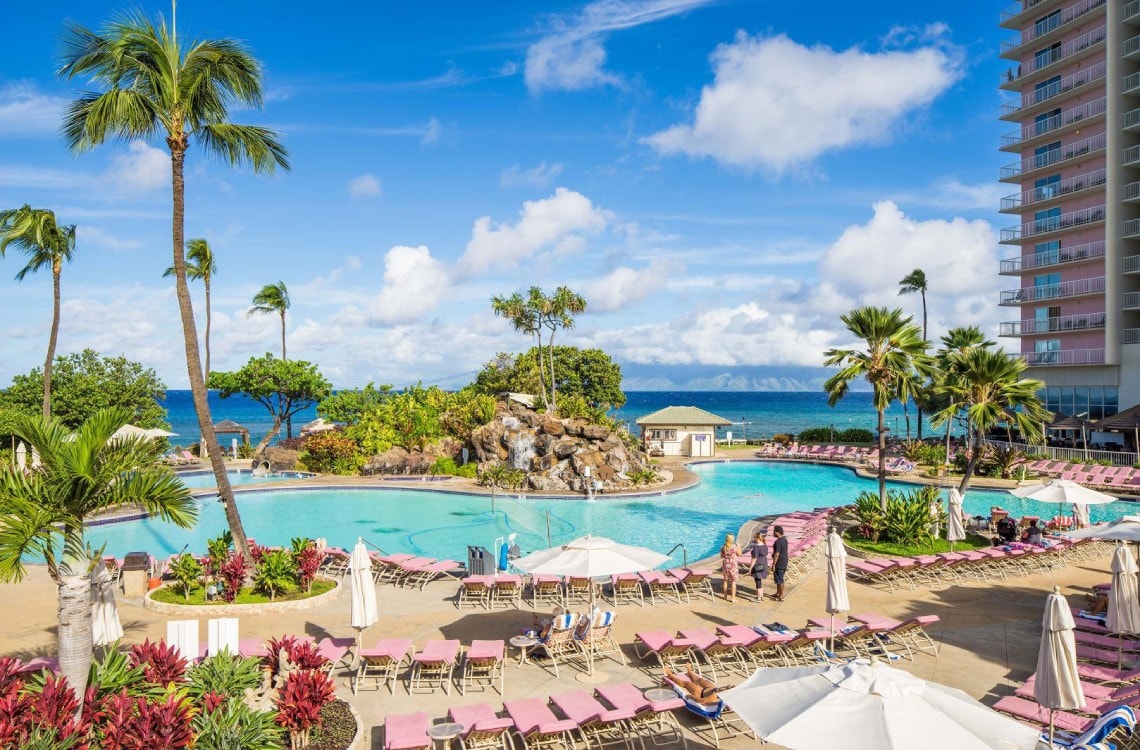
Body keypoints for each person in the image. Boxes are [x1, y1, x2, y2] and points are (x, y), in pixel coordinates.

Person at [743, 530, 769, 602]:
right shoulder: (765, 546)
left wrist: (750, 569)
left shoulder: (756, 547)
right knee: (759, 580)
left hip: (758, 565)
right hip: (764, 564)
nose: (754, 539)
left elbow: (754, 559)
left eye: (755, 538)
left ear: (757, 538)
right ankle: (761, 596)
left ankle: (758, 598)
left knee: (757, 580)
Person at [720, 533, 741, 602]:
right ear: (732, 539)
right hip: (733, 564)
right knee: (733, 581)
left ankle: (725, 597)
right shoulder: (734, 546)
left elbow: (722, 556)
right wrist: (739, 547)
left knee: (725, 580)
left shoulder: (723, 546)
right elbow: (740, 554)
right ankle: (733, 598)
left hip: (725, 563)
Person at [770, 526, 789, 602]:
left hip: (779, 562)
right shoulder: (784, 540)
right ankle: (778, 593)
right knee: (778, 579)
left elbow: (777, 554)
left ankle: (781, 596)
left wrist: (773, 564)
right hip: (784, 560)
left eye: (774, 531)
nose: (773, 533)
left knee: (780, 580)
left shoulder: (778, 542)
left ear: (777, 532)